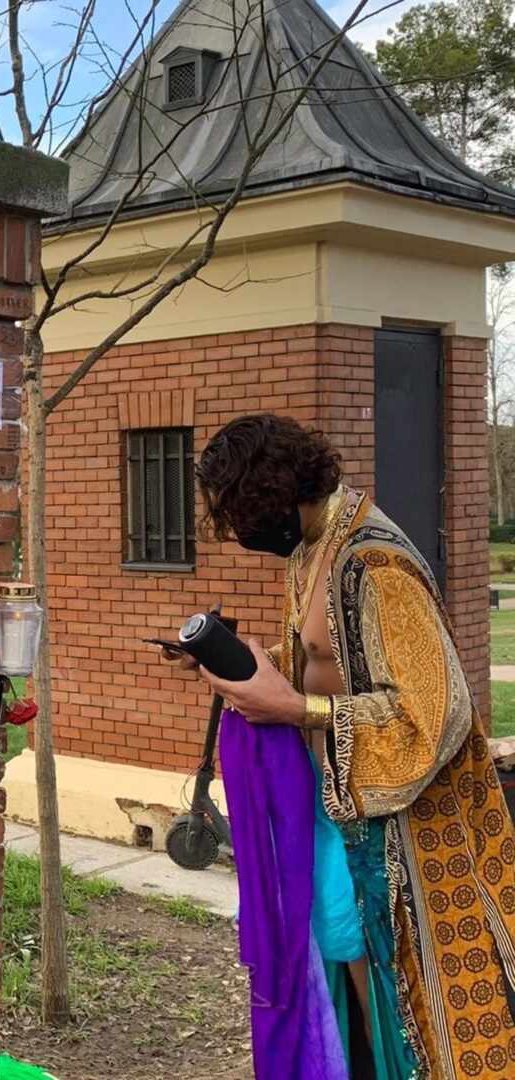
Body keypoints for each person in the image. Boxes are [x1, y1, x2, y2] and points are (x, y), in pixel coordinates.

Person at [170, 413, 515, 1079]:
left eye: (239, 513)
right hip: (345, 813)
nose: (237, 533)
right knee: (353, 974)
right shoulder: (313, 547)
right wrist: (253, 664)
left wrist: (296, 708)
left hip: (417, 834)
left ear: (274, 494)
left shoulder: (376, 564)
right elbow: (330, 659)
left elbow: (434, 714)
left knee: (422, 1012)